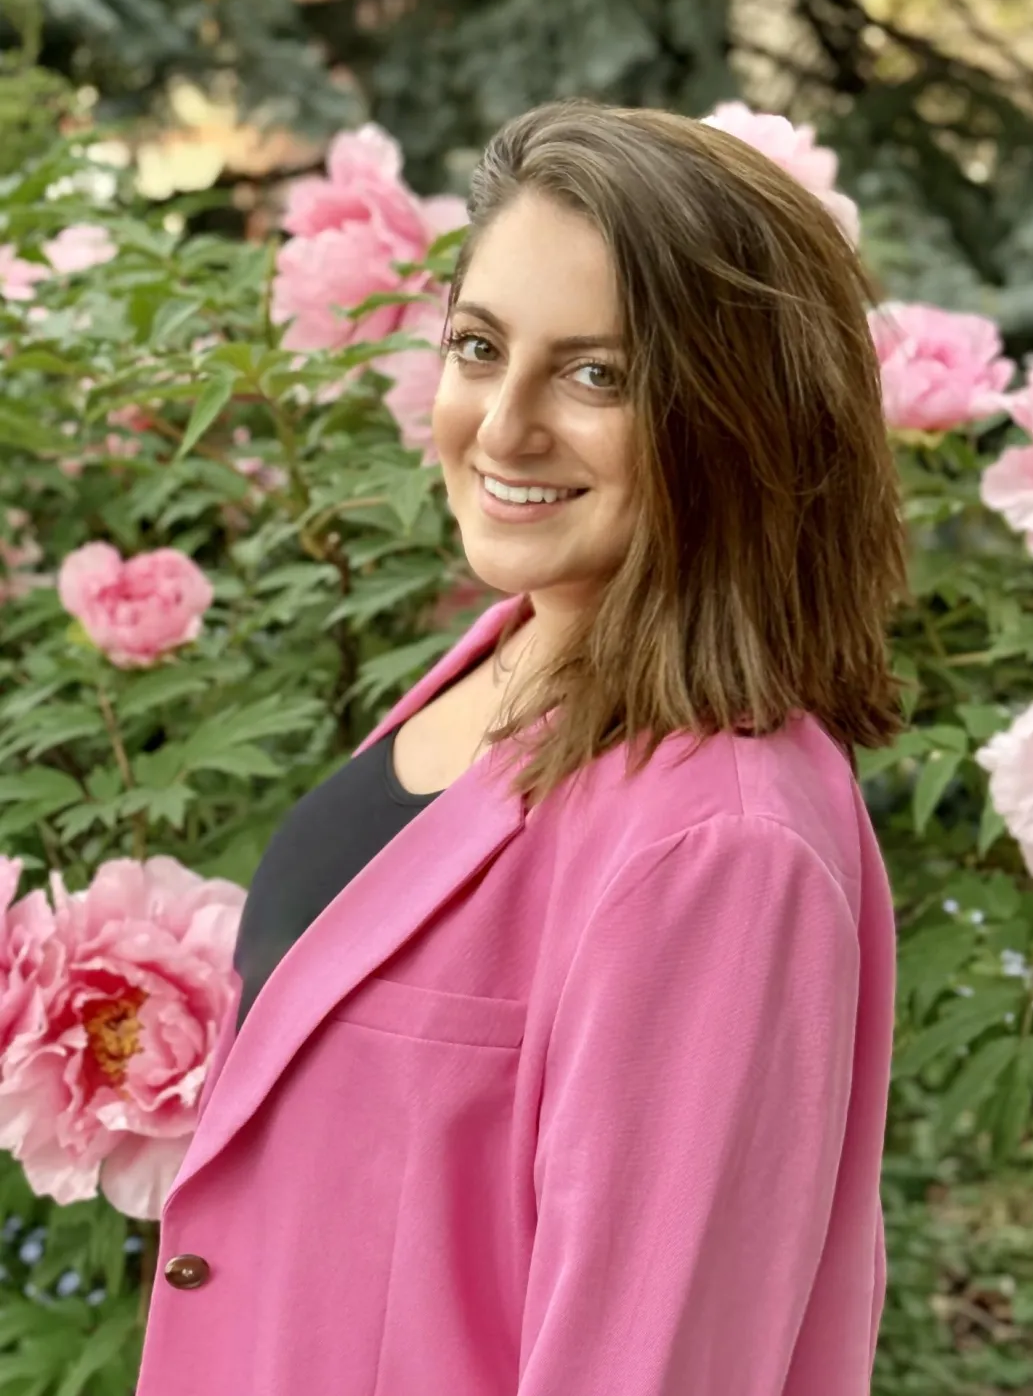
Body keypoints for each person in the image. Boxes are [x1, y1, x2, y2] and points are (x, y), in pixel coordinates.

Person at [135, 98, 909, 1396]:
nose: (503, 427)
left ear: (738, 418)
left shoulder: (721, 849)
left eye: (597, 374)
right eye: (481, 348)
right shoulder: (515, 651)